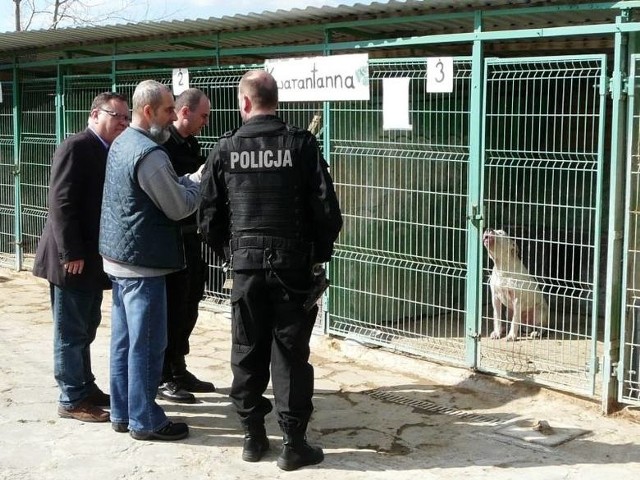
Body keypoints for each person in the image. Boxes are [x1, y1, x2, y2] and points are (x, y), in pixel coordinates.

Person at [198, 70, 342, 470]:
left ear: (244, 102)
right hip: (293, 270)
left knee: (246, 350)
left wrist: (232, 253)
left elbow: (207, 218)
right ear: (275, 100)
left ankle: (252, 436)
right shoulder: (301, 144)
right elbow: (327, 212)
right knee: (290, 354)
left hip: (246, 269)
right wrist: (316, 256)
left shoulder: (225, 148)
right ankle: (293, 444)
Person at [99, 79, 202, 442]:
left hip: (119, 259)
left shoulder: (122, 142)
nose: (174, 116)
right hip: (143, 263)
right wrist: (197, 184)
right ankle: (146, 420)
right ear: (149, 112)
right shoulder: (150, 153)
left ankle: (123, 412)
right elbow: (178, 207)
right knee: (147, 344)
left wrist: (182, 182)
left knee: (124, 341)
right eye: (168, 110)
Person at [33, 92, 130, 423]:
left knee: (87, 326)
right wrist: (70, 252)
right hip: (71, 259)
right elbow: (61, 203)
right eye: (116, 115)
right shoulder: (76, 146)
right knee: (70, 331)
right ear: (94, 115)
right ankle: (71, 398)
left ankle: (85, 386)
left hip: (91, 259)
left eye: (126, 117)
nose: (123, 122)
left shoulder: (107, 150)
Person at [158, 88, 215, 404]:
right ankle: (165, 375)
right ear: (184, 112)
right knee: (173, 308)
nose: (206, 122)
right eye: (203, 115)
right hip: (171, 237)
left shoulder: (190, 143)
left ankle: (179, 368)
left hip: (191, 235)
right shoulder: (162, 146)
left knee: (192, 300)